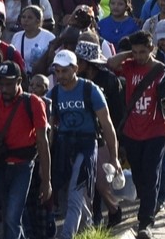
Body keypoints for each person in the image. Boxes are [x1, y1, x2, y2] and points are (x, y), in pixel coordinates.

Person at [108, 27, 165, 239]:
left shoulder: (164, 72)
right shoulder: (129, 66)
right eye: (135, 52)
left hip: (156, 133)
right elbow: (110, 64)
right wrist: (128, 52)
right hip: (132, 133)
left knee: (151, 175)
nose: (138, 57)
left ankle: (146, 222)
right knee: (139, 177)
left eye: (142, 52)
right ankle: (147, 209)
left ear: (151, 49)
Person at [46, 47, 120, 239]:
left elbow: (107, 125)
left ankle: (67, 236)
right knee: (74, 198)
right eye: (57, 71)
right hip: (63, 147)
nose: (60, 75)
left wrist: (115, 158)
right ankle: (89, 232)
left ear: (75, 68)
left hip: (86, 146)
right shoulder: (53, 94)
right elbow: (50, 129)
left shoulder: (90, 90)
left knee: (75, 194)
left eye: (64, 70)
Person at [0, 61, 51, 239]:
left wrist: (46, 179)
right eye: (1, 83)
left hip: (23, 166)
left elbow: (43, 142)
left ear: (19, 81)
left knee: (12, 216)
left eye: (9, 84)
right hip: (0, 165)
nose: (4, 88)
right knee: (9, 217)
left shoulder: (34, 102)